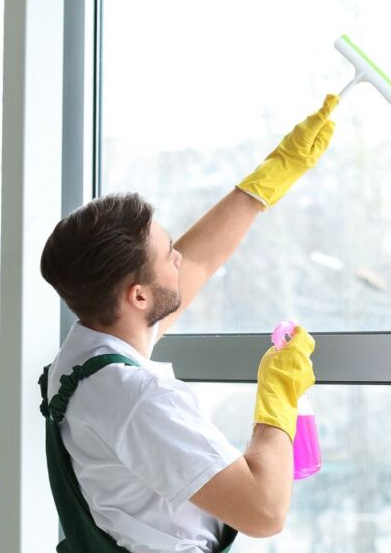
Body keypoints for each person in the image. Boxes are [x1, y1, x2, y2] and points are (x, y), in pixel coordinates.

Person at [39, 94, 339, 552]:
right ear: (137, 296)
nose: (177, 255)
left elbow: (195, 261)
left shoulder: (85, 356)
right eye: (165, 254)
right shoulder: (137, 398)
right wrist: (278, 397)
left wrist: (264, 184)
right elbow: (264, 510)